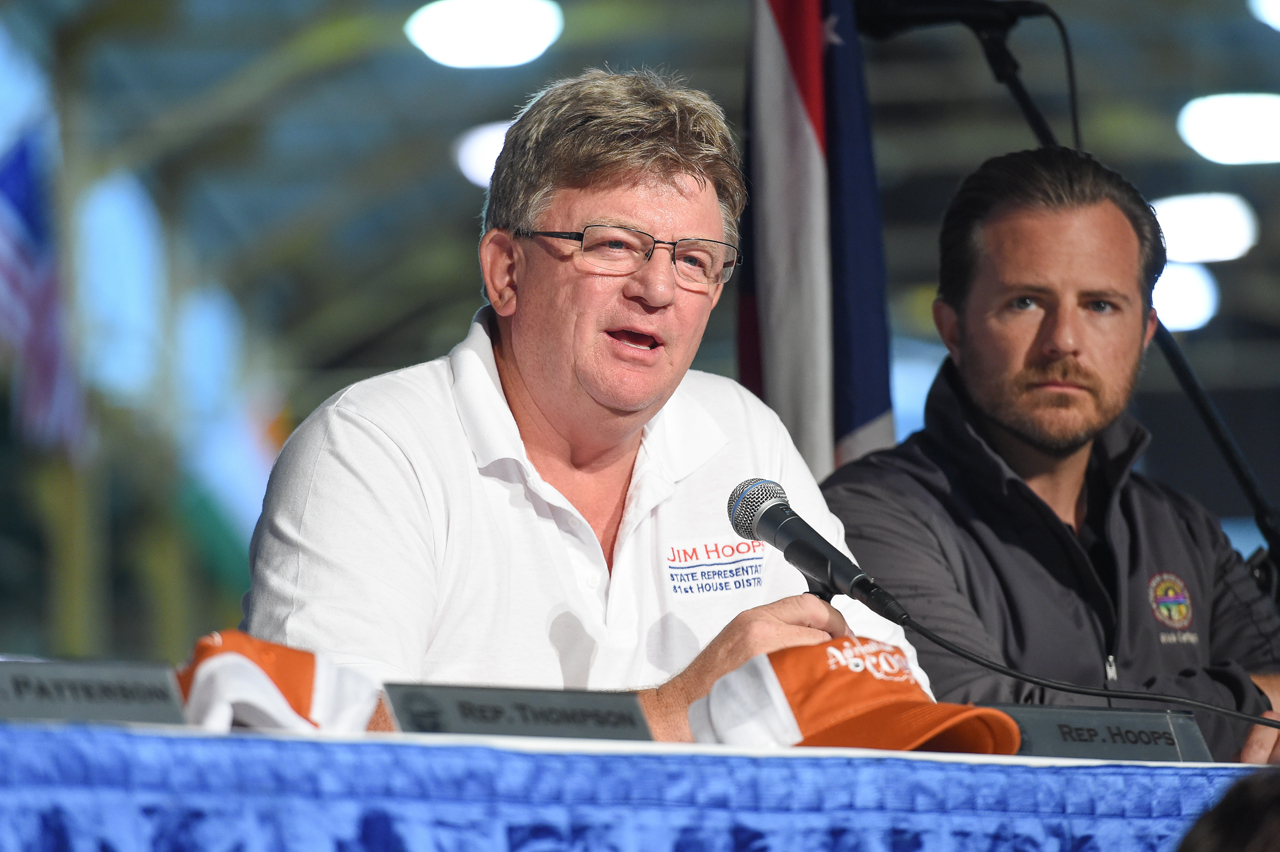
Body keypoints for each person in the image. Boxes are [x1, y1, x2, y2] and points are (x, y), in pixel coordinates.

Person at [242, 69, 925, 740]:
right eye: (613, 245)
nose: (657, 289)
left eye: (693, 260)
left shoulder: (739, 430)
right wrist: (674, 710)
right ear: (506, 271)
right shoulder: (371, 447)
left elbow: (896, 693)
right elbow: (320, 747)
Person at [821, 146, 1280, 762]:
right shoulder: (869, 517)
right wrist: (1242, 707)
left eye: (1100, 306)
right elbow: (983, 727)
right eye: (1026, 302)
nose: (1064, 341)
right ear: (952, 329)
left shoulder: (1181, 530)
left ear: (1143, 334)